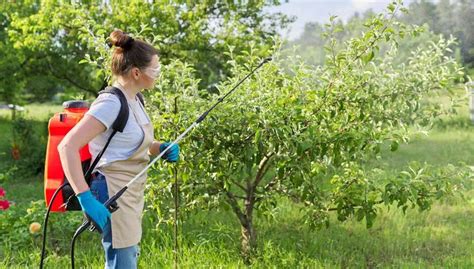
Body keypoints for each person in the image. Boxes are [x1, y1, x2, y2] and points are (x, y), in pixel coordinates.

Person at [58, 29, 179, 268]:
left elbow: (129, 144)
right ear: (136, 73)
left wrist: (159, 148)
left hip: (130, 190)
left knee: (126, 257)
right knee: (122, 262)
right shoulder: (111, 103)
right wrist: (85, 198)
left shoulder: (135, 99)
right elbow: (67, 147)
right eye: (155, 70)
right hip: (112, 190)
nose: (158, 74)